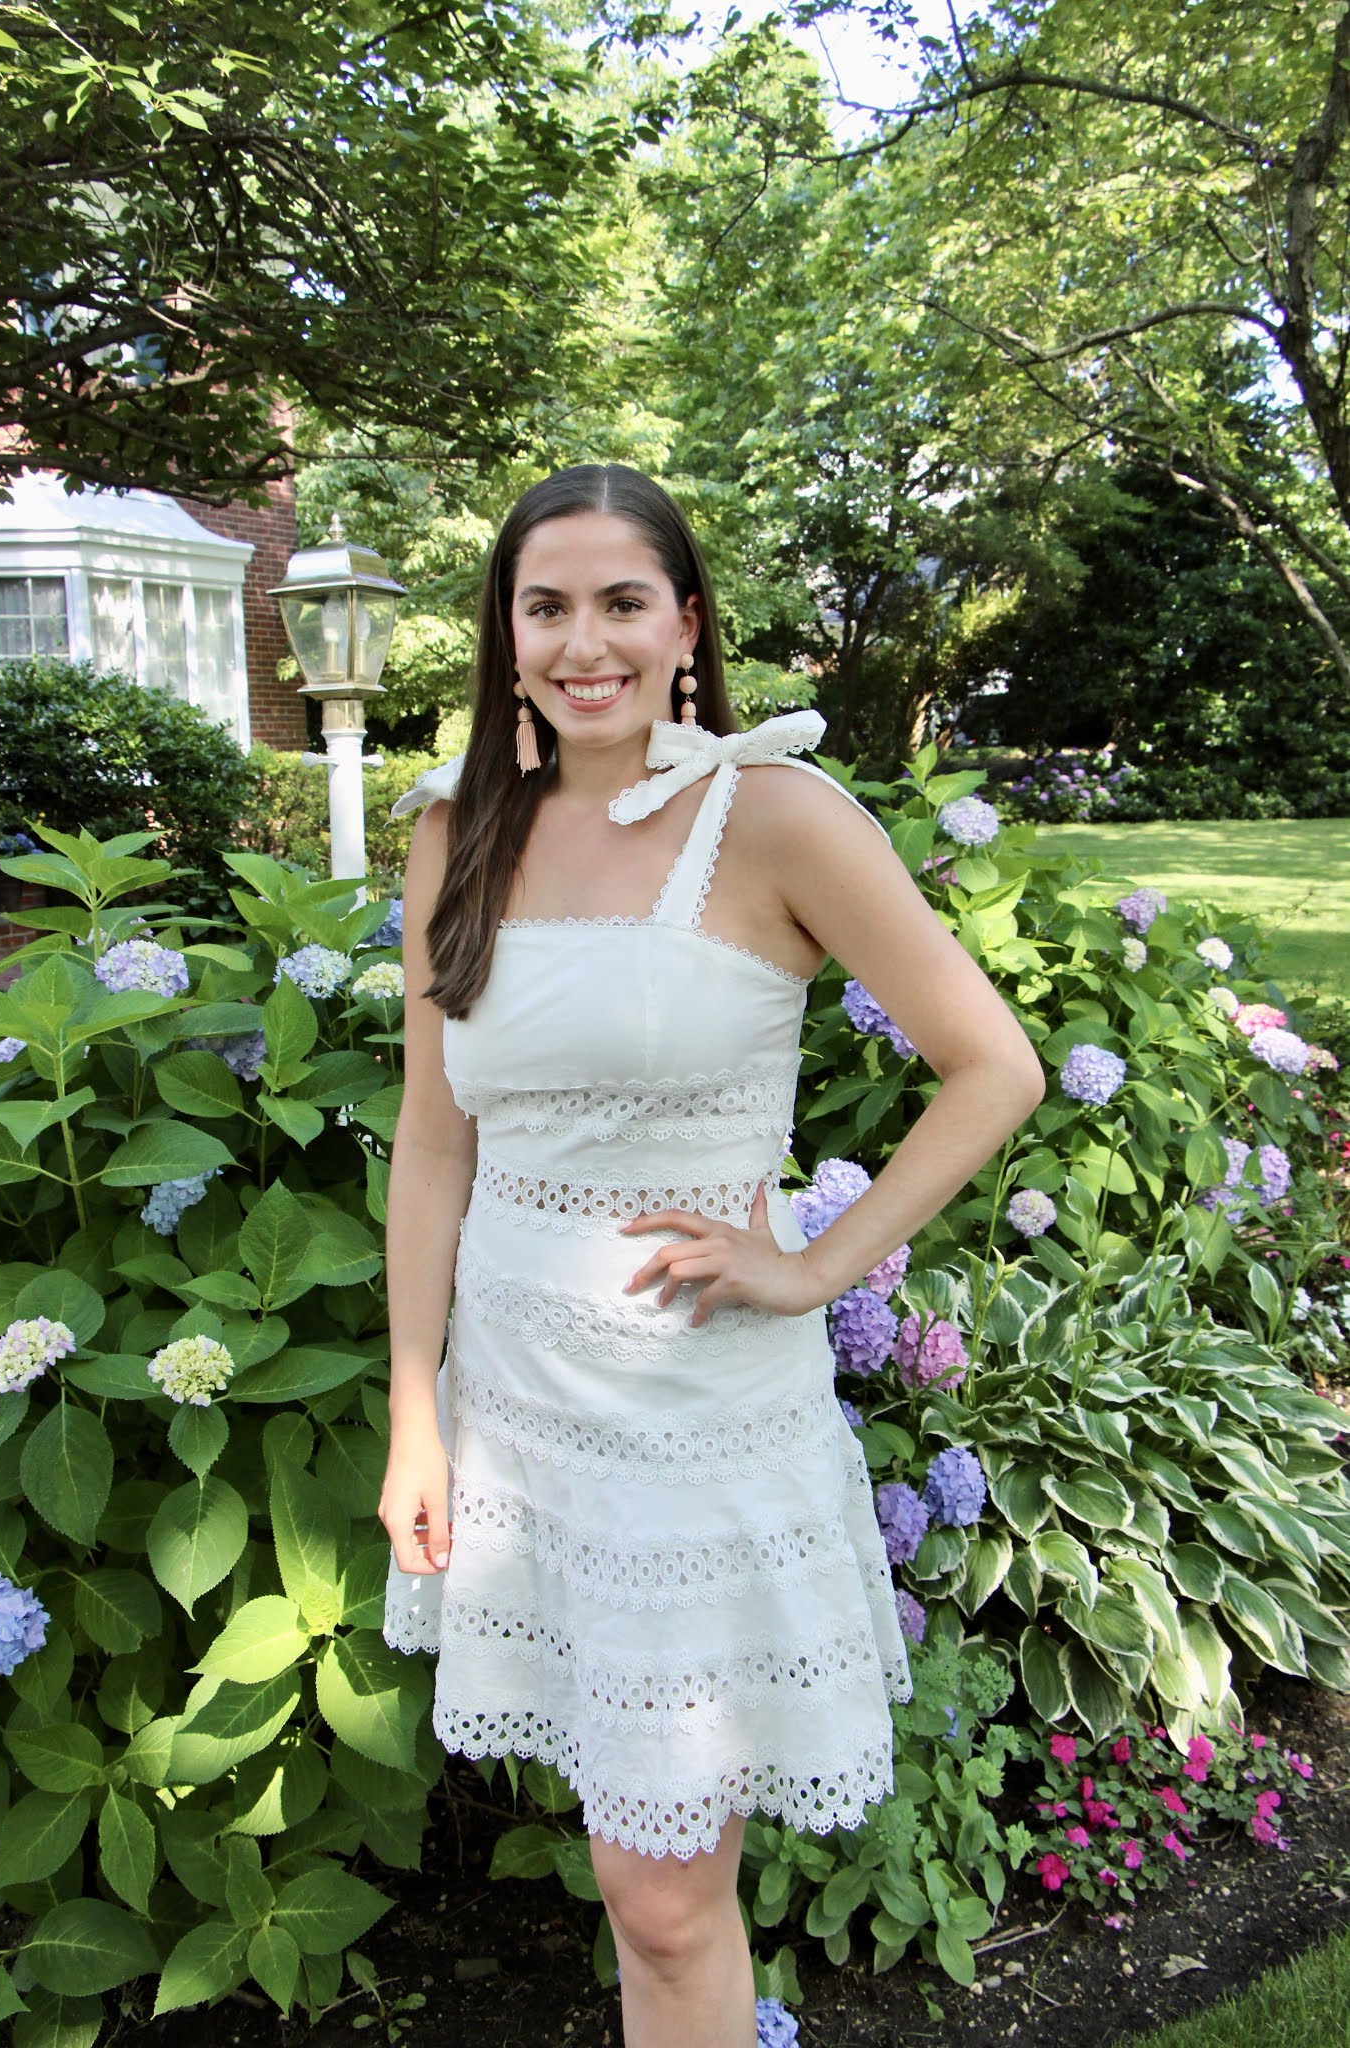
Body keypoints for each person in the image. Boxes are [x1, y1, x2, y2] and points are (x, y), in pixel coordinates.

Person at [377, 463, 1045, 2048]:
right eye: (546, 607)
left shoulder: (775, 818)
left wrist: (818, 1263)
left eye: (621, 603)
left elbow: (992, 1065)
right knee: (635, 1889)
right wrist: (416, 1405)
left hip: (697, 1421)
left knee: (666, 1900)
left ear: (685, 626)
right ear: (507, 632)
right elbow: (435, 1140)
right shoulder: (457, 832)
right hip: (524, 1417)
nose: (580, 642)